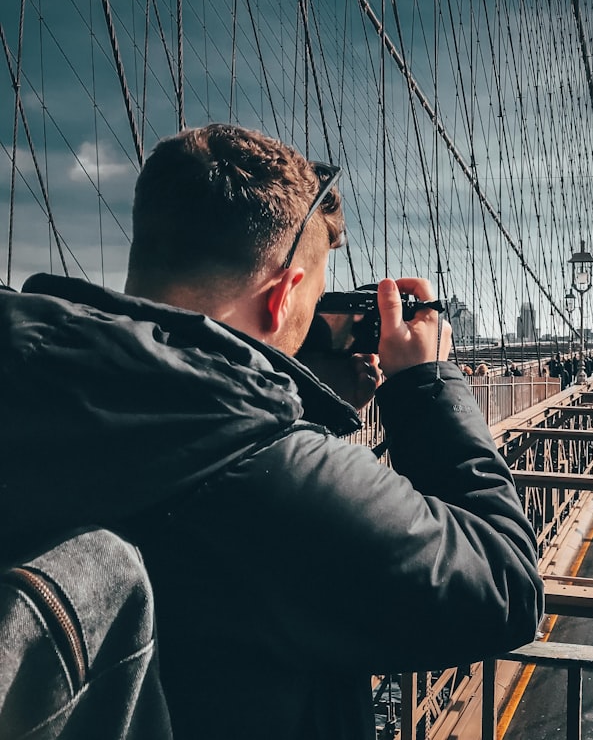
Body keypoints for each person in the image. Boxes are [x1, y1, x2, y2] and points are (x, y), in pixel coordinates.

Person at [0, 124, 543, 740]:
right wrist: (425, 386)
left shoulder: (27, 386)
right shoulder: (270, 469)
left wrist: (293, 395)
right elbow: (506, 586)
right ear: (285, 294)